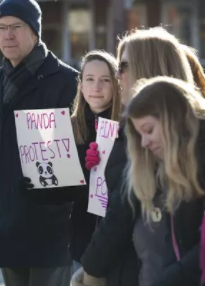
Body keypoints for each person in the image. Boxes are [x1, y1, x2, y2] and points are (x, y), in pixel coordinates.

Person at [72, 27, 195, 286]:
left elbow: (121, 212)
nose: (118, 76)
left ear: (148, 68)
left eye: (124, 66)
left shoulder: (196, 137)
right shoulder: (127, 131)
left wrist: (91, 269)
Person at [0, 0, 79, 285]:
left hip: (52, 227)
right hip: (7, 223)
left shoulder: (67, 81)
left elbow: (81, 151)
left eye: (16, 27)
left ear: (35, 32)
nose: (8, 35)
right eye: (1, 28)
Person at [124, 76, 205, 286]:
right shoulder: (179, 159)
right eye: (139, 134)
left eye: (148, 130)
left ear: (171, 118)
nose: (144, 142)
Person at [69, 50, 121, 273]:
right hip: (80, 241)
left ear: (116, 85)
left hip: (119, 240)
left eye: (105, 80)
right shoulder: (66, 128)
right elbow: (62, 193)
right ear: (80, 85)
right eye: (89, 79)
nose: (96, 87)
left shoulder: (128, 125)